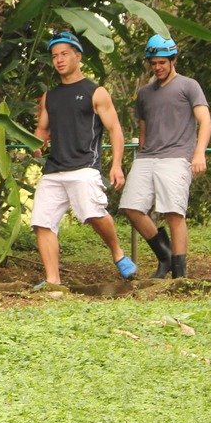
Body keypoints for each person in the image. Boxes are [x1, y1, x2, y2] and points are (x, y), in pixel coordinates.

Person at [30, 30, 137, 289]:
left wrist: (116, 166)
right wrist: (35, 144)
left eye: (65, 54)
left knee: (93, 215)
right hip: (54, 169)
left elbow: (115, 130)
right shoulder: (50, 96)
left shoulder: (96, 92)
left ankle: (117, 253)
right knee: (41, 223)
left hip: (84, 167)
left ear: (78, 56)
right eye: (55, 56)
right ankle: (53, 281)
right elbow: (43, 129)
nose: (59, 60)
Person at [120, 34, 211, 279]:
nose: (157, 67)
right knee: (130, 207)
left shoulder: (188, 85)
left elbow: (205, 121)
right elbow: (143, 128)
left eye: (162, 62)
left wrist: (199, 153)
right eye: (153, 63)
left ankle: (179, 276)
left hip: (176, 156)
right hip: (147, 157)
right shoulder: (144, 93)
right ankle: (165, 257)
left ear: (173, 60)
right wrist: (141, 152)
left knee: (174, 213)